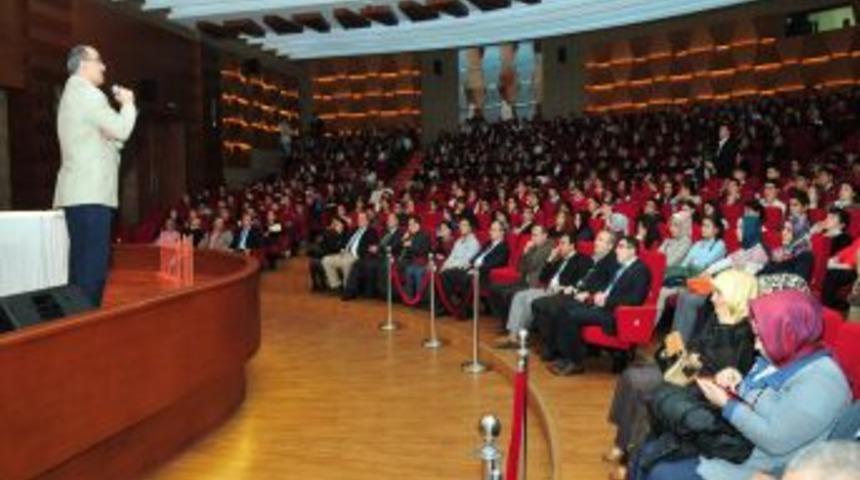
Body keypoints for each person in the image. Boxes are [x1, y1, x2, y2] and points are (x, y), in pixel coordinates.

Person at [639, 290, 852, 479]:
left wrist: (727, 404)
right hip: (737, 442)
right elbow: (762, 397)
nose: (757, 345)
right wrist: (738, 380)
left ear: (787, 333)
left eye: (761, 337)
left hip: (760, 465)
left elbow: (775, 440)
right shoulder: (786, 355)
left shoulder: (822, 383)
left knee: (662, 469)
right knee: (655, 443)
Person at [605, 269, 758, 480]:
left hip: (702, 392)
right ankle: (621, 445)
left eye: (718, 294)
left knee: (644, 389)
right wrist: (679, 354)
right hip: (687, 374)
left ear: (735, 296)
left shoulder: (745, 336)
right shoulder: (717, 317)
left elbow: (723, 380)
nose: (713, 299)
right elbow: (696, 349)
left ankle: (630, 461)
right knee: (631, 377)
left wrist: (688, 363)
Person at [54, 45, 137, 306]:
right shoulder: (89, 94)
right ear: (83, 65)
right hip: (91, 195)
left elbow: (110, 138)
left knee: (79, 269)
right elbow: (121, 130)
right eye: (98, 61)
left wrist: (111, 136)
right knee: (92, 270)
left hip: (78, 194)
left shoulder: (72, 94)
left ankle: (74, 331)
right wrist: (128, 104)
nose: (103, 66)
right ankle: (87, 332)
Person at [539, 235, 652, 375]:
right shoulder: (622, 267)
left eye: (621, 247)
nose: (617, 251)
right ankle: (566, 356)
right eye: (617, 247)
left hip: (614, 314)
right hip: (602, 306)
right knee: (564, 308)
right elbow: (608, 288)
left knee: (570, 314)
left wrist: (606, 300)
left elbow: (635, 300)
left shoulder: (640, 270)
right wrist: (595, 295)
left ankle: (575, 362)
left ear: (632, 250)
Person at [494, 232, 594, 348]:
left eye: (563, 243)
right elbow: (543, 278)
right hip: (547, 290)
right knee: (519, 296)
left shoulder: (582, 260)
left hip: (559, 293)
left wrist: (564, 288)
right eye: (559, 243)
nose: (559, 247)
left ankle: (520, 336)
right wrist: (550, 259)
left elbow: (579, 282)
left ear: (572, 246)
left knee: (528, 300)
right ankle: (512, 335)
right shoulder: (559, 260)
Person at [486, 224, 554, 323]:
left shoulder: (548, 247)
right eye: (532, 235)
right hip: (523, 280)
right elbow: (520, 267)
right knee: (494, 288)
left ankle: (510, 323)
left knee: (508, 294)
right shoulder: (534, 247)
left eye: (536, 235)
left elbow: (533, 264)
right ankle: (505, 319)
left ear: (545, 236)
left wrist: (527, 252)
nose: (532, 238)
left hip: (534, 284)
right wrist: (526, 253)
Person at [321, 211, 378, 291]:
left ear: (367, 221)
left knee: (346, 263)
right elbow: (345, 241)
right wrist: (342, 249)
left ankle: (347, 288)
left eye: (362, 219)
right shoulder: (354, 229)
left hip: (356, 255)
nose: (359, 220)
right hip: (345, 253)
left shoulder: (371, 231)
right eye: (359, 219)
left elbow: (372, 246)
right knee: (326, 260)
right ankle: (336, 285)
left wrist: (367, 250)